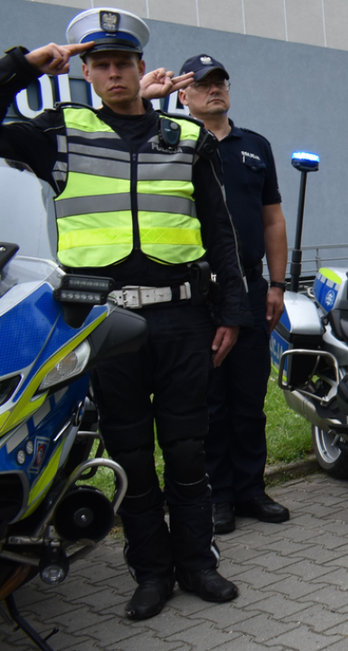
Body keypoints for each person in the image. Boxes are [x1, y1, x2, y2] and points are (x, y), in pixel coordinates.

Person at [0, 8, 248, 620]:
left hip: (184, 318)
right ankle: (150, 571)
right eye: (102, 64)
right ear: (85, 71)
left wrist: (233, 310)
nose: (114, 74)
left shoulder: (186, 138)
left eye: (124, 63)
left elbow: (221, 232)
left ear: (142, 69)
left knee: (188, 449)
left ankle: (197, 564)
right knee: (132, 455)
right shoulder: (58, 131)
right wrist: (21, 67)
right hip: (103, 327)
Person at [176, 54, 290, 534]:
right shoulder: (175, 144)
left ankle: (250, 490)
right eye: (203, 84)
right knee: (210, 402)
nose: (214, 89)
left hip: (249, 285)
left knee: (247, 397)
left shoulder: (255, 146)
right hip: (197, 291)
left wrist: (278, 285)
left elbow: (272, 220)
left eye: (220, 82)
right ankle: (216, 495)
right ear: (184, 95)